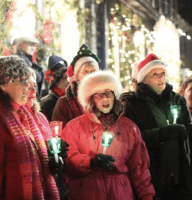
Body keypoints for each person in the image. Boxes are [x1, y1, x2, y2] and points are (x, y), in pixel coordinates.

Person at [62, 70, 155, 200]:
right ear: (91, 99)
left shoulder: (128, 127)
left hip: (119, 192)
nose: (105, 99)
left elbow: (140, 170)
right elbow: (68, 160)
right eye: (99, 95)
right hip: (86, 192)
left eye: (108, 94)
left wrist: (147, 196)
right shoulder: (74, 127)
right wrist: (90, 162)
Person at [121, 53, 192, 200]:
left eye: (163, 73)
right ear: (143, 79)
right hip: (152, 177)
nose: (161, 78)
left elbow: (191, 136)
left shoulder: (178, 100)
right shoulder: (134, 104)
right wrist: (161, 134)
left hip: (180, 175)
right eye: (155, 74)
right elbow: (131, 140)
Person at [0, 56, 60, 199]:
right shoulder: (3, 121)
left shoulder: (25, 116)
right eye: (23, 81)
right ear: (3, 85)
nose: (28, 86)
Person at [25, 68, 69, 200]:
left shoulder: (40, 117)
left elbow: (50, 142)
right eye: (27, 85)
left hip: (51, 184)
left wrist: (57, 154)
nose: (33, 91)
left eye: (34, 86)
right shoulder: (12, 121)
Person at [52, 44, 100, 127]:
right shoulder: (64, 103)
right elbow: (59, 132)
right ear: (77, 75)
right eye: (85, 72)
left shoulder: (105, 97)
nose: (89, 75)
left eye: (93, 71)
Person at [40, 56, 69, 121]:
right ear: (56, 81)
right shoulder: (45, 104)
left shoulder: (71, 99)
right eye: (65, 78)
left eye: (69, 77)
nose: (68, 81)